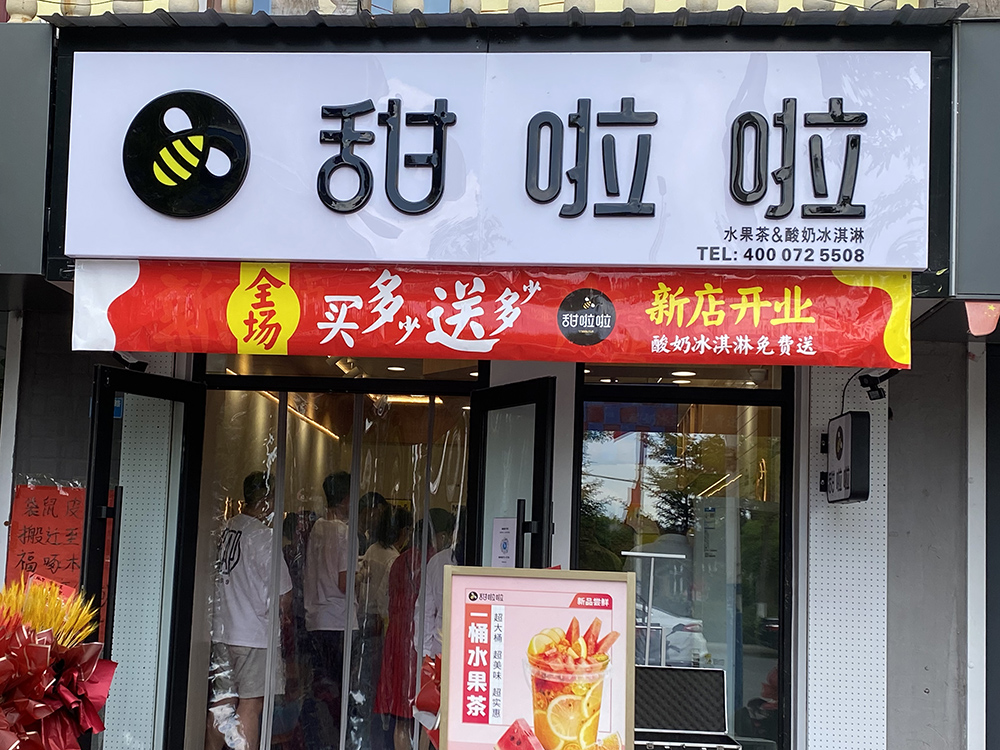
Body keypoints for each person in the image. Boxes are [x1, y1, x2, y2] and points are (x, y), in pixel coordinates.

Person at [207, 471, 293, 750]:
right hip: (254, 635)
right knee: (251, 704)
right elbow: (284, 593)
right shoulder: (263, 536)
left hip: (223, 629)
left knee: (222, 701)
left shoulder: (227, 528)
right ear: (268, 500)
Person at [375, 508, 449, 750]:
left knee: (401, 713)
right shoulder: (436, 560)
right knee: (427, 714)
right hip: (421, 640)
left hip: (397, 639)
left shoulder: (398, 560)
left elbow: (383, 600)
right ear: (440, 535)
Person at [303, 471, 355, 748]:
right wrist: (362, 578)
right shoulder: (344, 532)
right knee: (341, 689)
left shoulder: (318, 529)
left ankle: (321, 740)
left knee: (321, 688)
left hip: (316, 618)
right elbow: (345, 583)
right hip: (339, 619)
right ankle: (339, 740)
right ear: (346, 498)